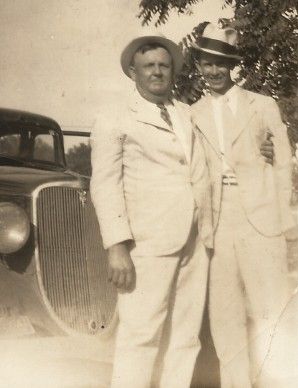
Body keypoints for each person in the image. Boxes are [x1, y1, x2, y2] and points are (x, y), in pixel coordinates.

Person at [90, 32, 213, 388]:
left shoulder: (186, 114)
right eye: (149, 66)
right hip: (145, 245)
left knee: (186, 337)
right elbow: (105, 184)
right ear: (133, 72)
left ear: (172, 71)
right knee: (141, 337)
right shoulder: (115, 117)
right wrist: (116, 247)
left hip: (195, 240)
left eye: (163, 65)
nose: (157, 72)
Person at [191, 23, 295, 388]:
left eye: (221, 63)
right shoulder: (193, 113)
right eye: (207, 63)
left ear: (233, 65)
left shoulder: (262, 105)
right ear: (198, 65)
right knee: (225, 314)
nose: (214, 71)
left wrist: (280, 218)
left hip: (260, 218)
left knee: (272, 309)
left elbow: (284, 162)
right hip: (217, 220)